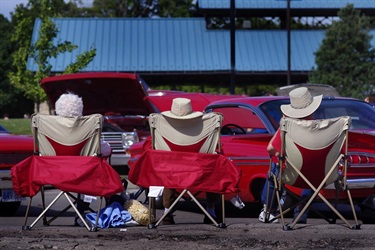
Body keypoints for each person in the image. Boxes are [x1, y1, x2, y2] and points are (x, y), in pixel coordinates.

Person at [258, 87, 322, 224]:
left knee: (275, 168)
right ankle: (301, 211)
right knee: (312, 168)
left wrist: (283, 124)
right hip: (319, 176)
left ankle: (268, 210)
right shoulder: (323, 127)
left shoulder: (289, 127)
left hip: (292, 174)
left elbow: (270, 149)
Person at [160, 98, 221, 225]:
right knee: (213, 165)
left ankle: (167, 212)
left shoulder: (161, 126)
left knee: (169, 167)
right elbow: (216, 150)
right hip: (200, 171)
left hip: (171, 171)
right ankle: (211, 211)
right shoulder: (204, 126)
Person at [55, 92, 112, 225]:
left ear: (57, 109)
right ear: (80, 109)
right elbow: (105, 150)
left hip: (53, 173)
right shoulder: (88, 125)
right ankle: (82, 210)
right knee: (95, 168)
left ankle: (81, 210)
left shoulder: (47, 126)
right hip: (84, 174)